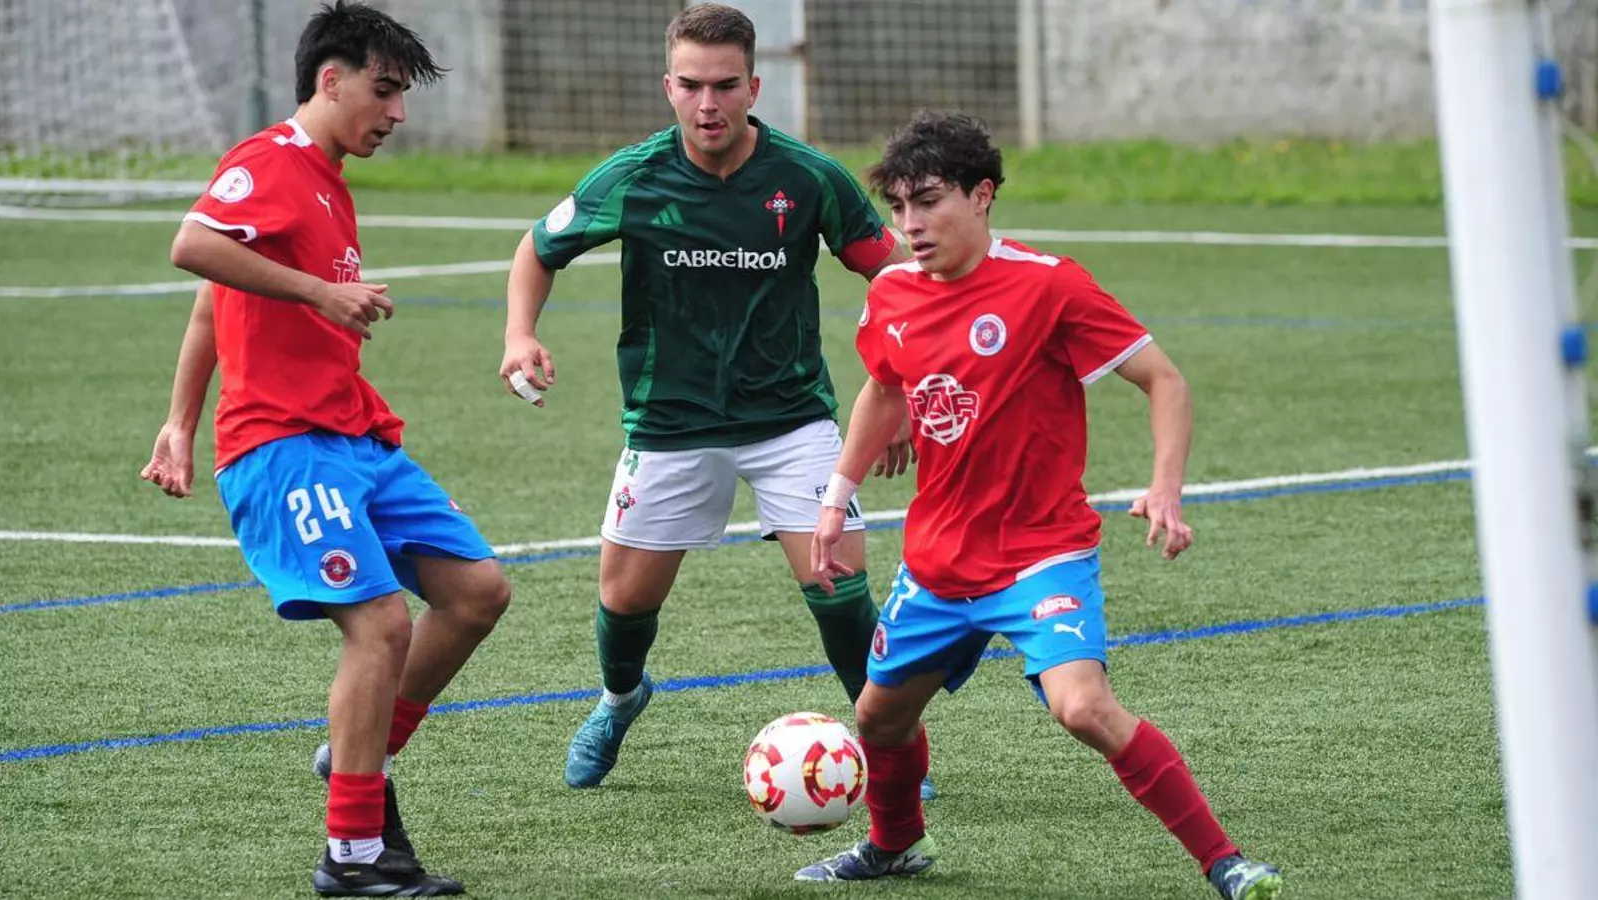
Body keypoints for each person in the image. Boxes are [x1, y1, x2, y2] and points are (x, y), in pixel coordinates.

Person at [796, 111, 1283, 900]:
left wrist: (1164, 486)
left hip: (1040, 555)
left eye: (929, 201)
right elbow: (884, 388)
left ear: (982, 195)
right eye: (899, 206)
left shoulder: (1048, 285)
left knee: (1083, 708)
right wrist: (836, 499)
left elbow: (1164, 380)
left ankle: (1226, 862)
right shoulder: (890, 292)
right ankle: (895, 845)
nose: (910, 224)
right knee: (878, 717)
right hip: (939, 560)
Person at [499, 2, 930, 797]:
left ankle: (889, 739)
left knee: (838, 585)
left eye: (726, 85)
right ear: (668, 86)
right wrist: (519, 334)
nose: (709, 104)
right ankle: (620, 699)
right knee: (624, 601)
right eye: (691, 85)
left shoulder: (808, 177)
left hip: (791, 420)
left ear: (753, 87)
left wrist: (900, 388)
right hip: (669, 425)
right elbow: (538, 248)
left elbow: (897, 277)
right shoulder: (632, 177)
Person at [141, 3, 510, 895]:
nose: (397, 113)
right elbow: (193, 247)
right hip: (284, 445)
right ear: (329, 80)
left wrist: (179, 421)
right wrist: (317, 292)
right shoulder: (270, 160)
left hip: (354, 435)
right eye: (384, 91)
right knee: (380, 626)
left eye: (402, 95)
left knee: (476, 592)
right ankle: (353, 854)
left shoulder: (327, 181)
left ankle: (359, 753)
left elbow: (213, 305)